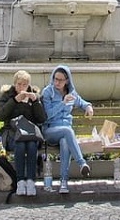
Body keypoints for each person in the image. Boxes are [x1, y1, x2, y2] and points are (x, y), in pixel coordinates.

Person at [39, 65, 94, 193]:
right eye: (55, 79)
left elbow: (81, 102)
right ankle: (81, 163)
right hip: (50, 131)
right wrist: (62, 103)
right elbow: (47, 115)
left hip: (65, 133)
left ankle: (64, 182)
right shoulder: (48, 92)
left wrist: (88, 107)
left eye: (60, 80)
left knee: (65, 142)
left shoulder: (71, 93)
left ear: (67, 81)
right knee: (68, 131)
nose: (57, 82)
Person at [0, 69, 47, 196]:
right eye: (19, 84)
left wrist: (36, 102)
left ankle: (30, 181)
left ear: (28, 85)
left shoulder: (34, 95)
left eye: (24, 85)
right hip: (12, 134)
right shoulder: (8, 95)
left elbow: (42, 118)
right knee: (20, 145)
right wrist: (15, 100)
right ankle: (20, 181)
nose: (22, 87)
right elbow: (0, 115)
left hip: (30, 134)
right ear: (14, 84)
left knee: (31, 145)